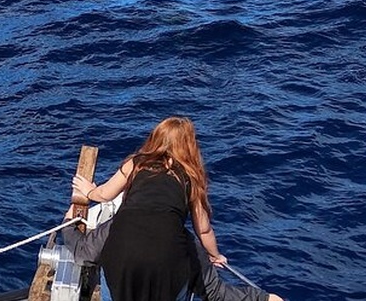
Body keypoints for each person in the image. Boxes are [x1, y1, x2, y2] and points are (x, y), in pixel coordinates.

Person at [71, 116, 223, 301]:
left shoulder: (136, 163)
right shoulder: (190, 178)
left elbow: (104, 194)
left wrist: (89, 192)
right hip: (166, 264)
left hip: (121, 255)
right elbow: (204, 229)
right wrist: (214, 255)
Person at [61, 205, 285, 301]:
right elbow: (215, 293)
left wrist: (69, 225)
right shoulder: (185, 242)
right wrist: (262, 298)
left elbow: (83, 252)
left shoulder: (116, 227)